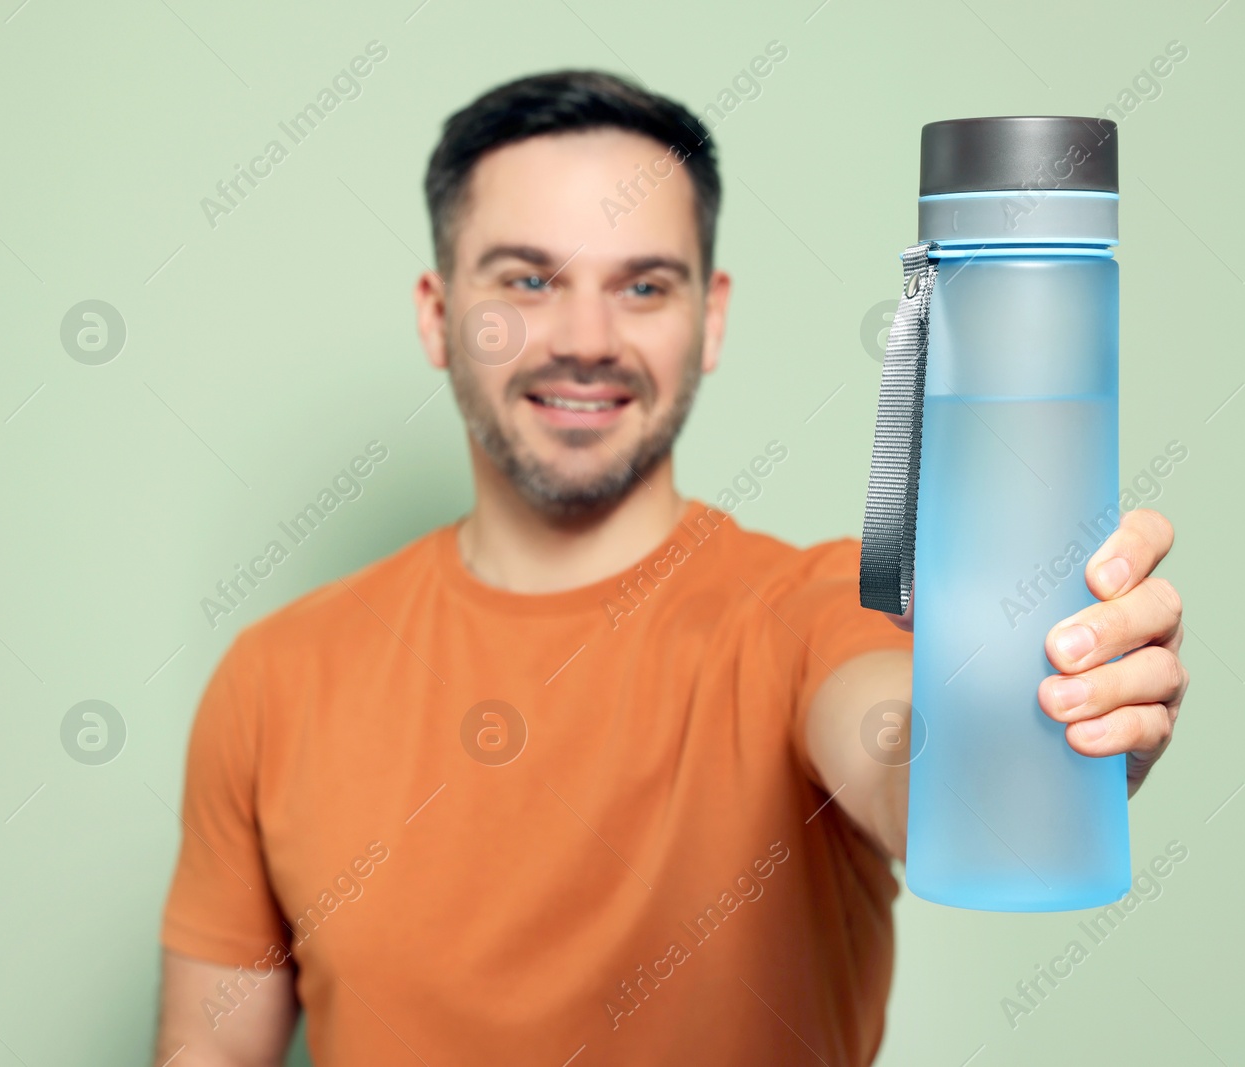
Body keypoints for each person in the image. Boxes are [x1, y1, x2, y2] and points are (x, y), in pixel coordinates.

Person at [153, 70, 1187, 1067]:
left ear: (712, 317)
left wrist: (1057, 727)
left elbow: (903, 766)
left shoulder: (805, 616)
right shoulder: (277, 676)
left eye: (643, 284)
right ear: (437, 313)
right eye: (527, 280)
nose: (587, 340)